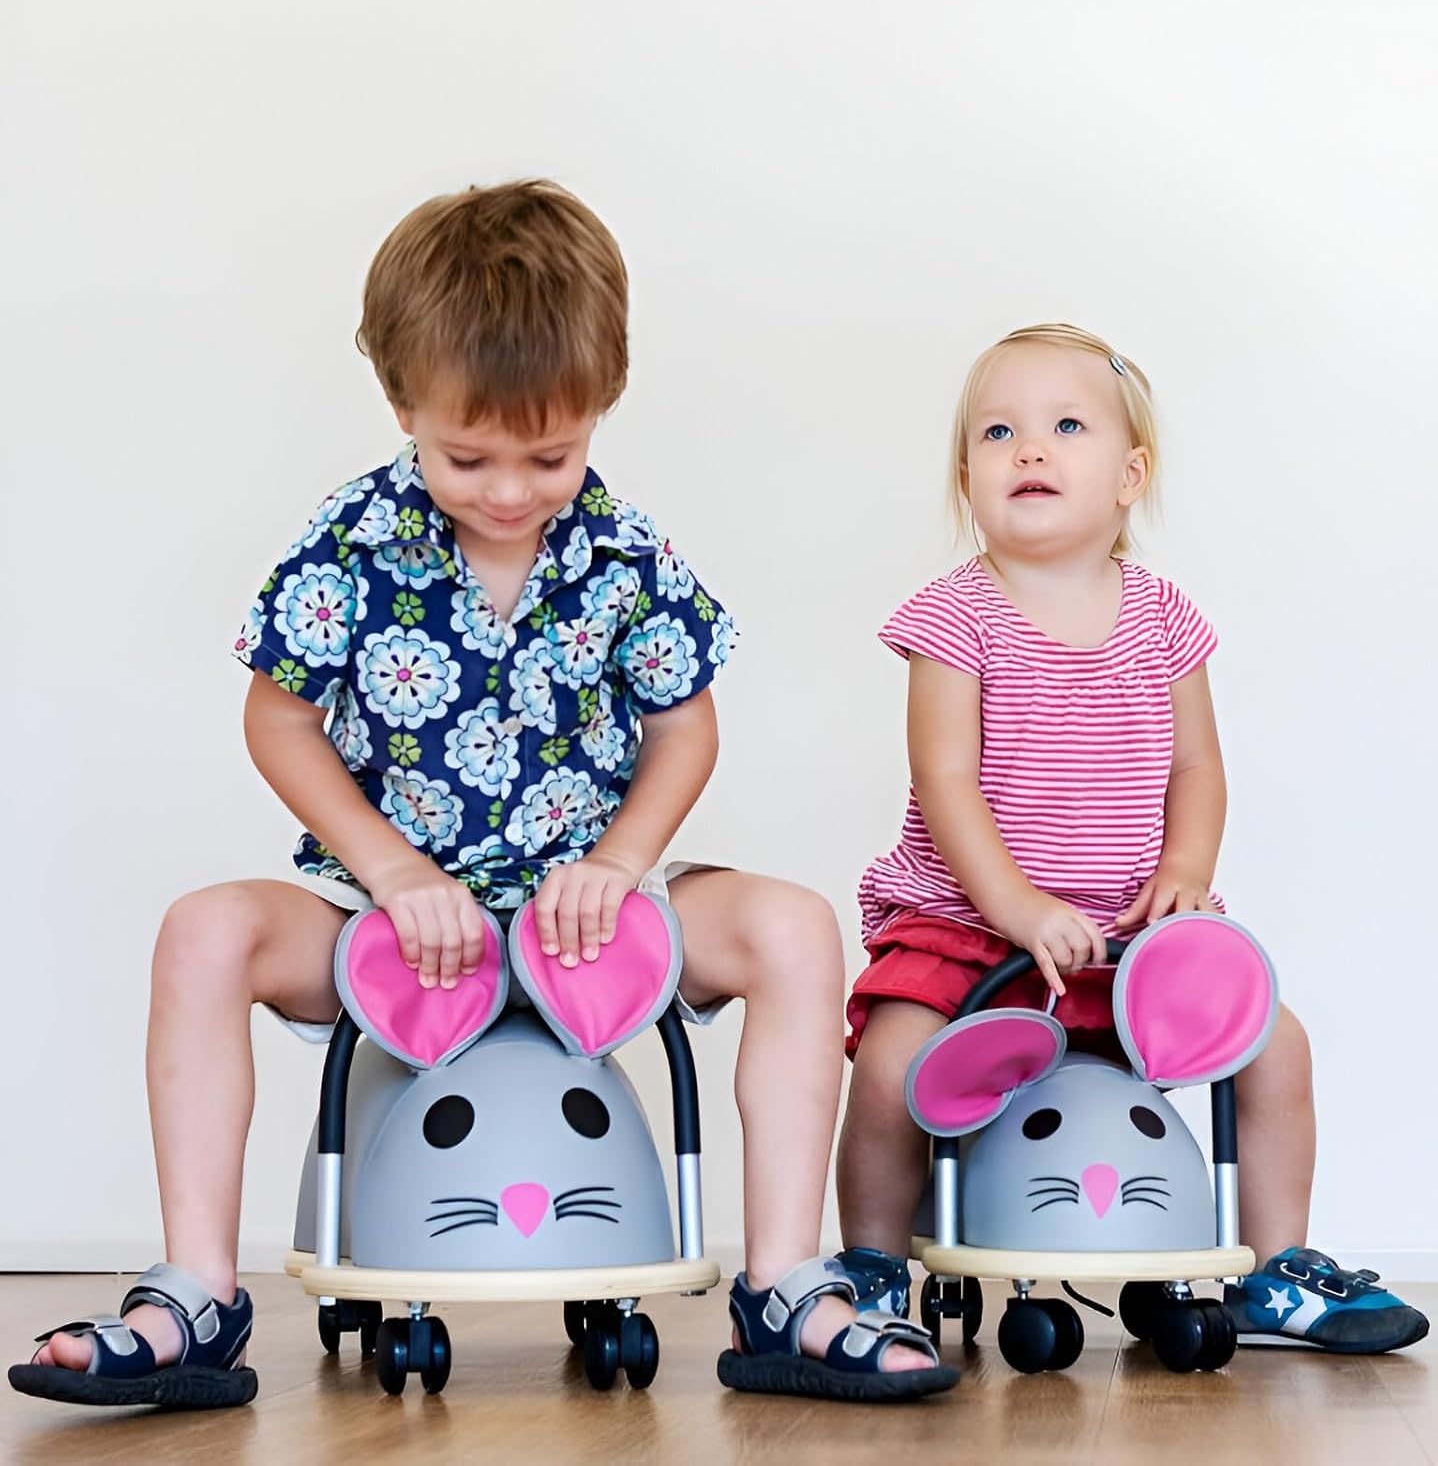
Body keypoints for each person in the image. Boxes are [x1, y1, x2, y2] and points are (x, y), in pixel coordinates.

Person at [10, 180, 953, 1409]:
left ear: (600, 406)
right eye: (468, 458)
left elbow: (684, 730)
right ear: (403, 405)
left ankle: (782, 1282)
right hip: (385, 917)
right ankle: (193, 1293)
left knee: (792, 926)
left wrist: (618, 864)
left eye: (549, 457)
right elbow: (278, 719)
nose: (509, 491)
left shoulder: (624, 552)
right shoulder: (349, 543)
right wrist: (391, 872)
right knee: (202, 931)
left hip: (589, 916)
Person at [833, 323, 1427, 1355]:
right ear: (967, 477)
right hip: (971, 926)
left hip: (1124, 933)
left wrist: (1185, 872)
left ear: (1129, 476)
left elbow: (1196, 767)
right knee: (891, 1061)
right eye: (997, 433)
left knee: (1277, 1044)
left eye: (1066, 426)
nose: (1029, 449)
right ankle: (874, 1268)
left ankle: (1273, 1268)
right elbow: (945, 783)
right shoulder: (953, 619)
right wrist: (1019, 909)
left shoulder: (1162, 618)